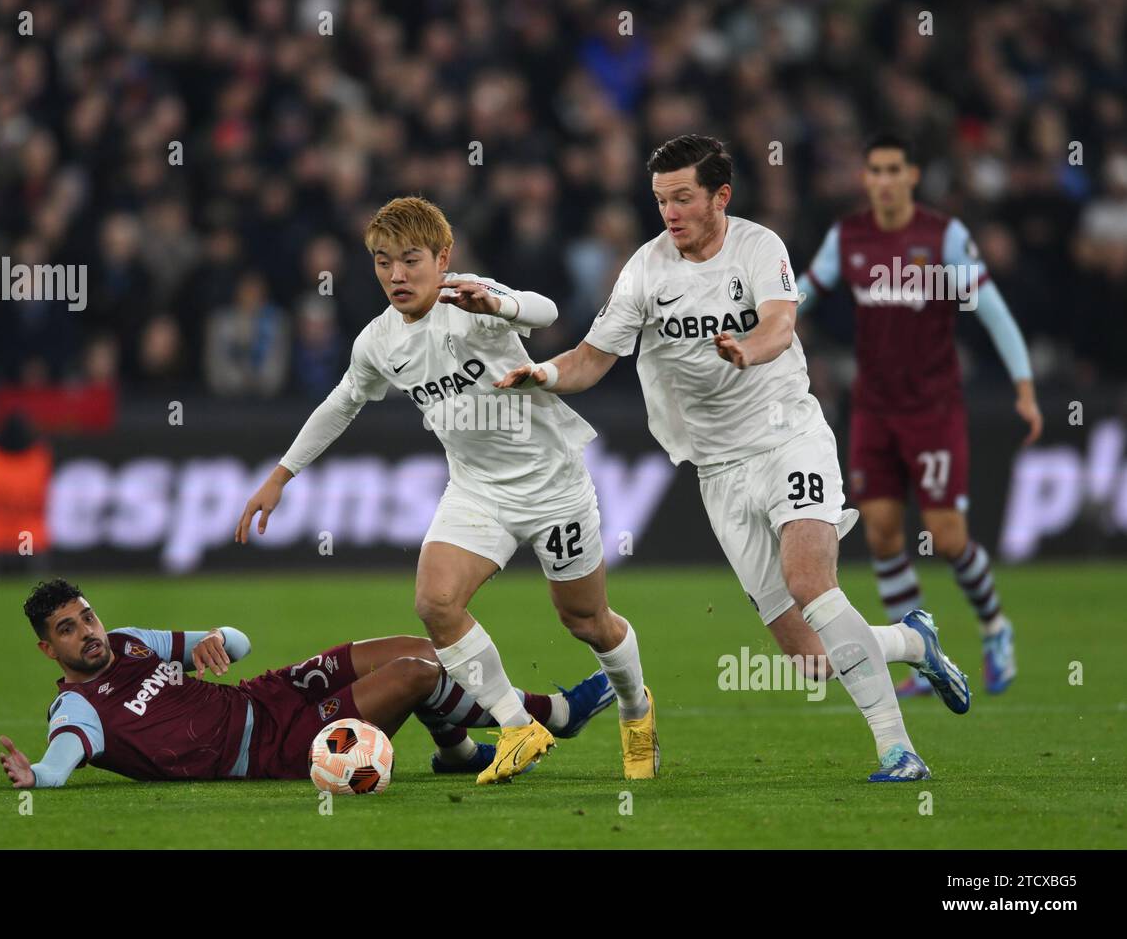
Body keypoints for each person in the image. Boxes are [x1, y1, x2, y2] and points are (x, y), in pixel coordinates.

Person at [497, 134, 970, 782]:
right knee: (809, 655)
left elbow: (780, 324)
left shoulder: (758, 247)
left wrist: (748, 348)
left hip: (787, 438)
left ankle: (898, 750)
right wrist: (541, 374)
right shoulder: (644, 269)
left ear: (721, 195)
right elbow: (590, 358)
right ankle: (913, 640)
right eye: (661, 198)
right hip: (717, 469)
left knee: (811, 582)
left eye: (683, 197)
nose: (670, 211)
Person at [235, 196, 656, 785]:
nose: (397, 276)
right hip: (477, 491)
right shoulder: (378, 341)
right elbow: (342, 403)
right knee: (435, 603)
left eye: (410, 261)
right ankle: (518, 727)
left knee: (586, 621)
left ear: (442, 258)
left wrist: (501, 302)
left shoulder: (471, 298)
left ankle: (637, 710)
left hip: (552, 486)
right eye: (383, 262)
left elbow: (546, 310)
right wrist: (281, 475)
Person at [795, 131, 1040, 696]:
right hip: (874, 410)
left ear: (911, 176)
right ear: (866, 178)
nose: (882, 180)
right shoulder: (848, 237)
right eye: (873, 170)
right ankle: (923, 656)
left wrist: (1023, 385)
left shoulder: (942, 235)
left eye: (892, 170)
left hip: (932, 410)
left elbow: (993, 310)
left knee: (947, 538)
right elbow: (804, 292)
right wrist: (759, 322)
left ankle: (994, 625)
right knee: (881, 534)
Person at [0, 579, 613, 789]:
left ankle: (454, 753)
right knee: (420, 675)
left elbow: (236, 645)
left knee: (424, 647)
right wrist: (38, 777)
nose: (87, 632)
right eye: (68, 630)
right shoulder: (76, 708)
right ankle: (555, 713)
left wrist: (216, 639)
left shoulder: (130, 641)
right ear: (47, 648)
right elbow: (60, 761)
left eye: (87, 617)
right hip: (273, 750)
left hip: (266, 697)